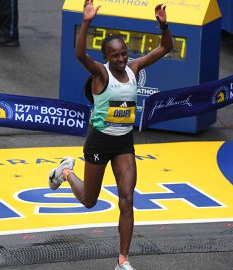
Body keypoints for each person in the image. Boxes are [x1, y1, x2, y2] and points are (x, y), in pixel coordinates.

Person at [48, 0, 172, 269]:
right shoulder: (101, 74)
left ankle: (123, 260)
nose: (121, 59)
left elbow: (165, 48)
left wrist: (163, 25)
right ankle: (66, 172)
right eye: (115, 55)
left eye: (124, 54)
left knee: (127, 198)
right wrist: (86, 22)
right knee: (90, 200)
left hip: (124, 142)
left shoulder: (134, 68)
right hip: (99, 142)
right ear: (107, 57)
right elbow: (80, 55)